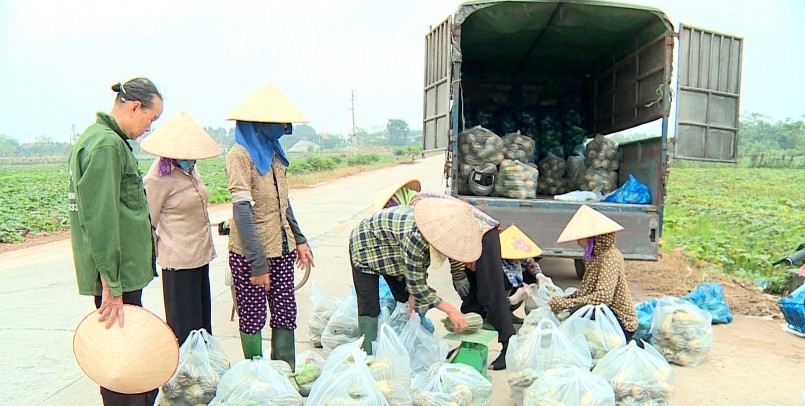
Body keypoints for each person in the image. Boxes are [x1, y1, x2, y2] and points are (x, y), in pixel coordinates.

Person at [67, 77, 163, 405]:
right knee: (122, 363)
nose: (149, 128)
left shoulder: (106, 140)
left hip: (121, 274)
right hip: (116, 277)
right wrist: (112, 281)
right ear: (135, 107)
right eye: (151, 119)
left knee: (126, 353)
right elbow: (101, 218)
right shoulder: (106, 145)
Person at [225, 82, 315, 369]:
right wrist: (258, 264)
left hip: (283, 248)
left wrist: (300, 239)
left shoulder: (275, 153)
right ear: (259, 122)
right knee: (252, 317)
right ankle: (257, 376)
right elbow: (242, 211)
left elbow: (283, 202)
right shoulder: (240, 155)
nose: (284, 128)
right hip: (251, 254)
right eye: (278, 123)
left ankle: (283, 373)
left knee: (286, 312)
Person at [350, 196, 482, 355]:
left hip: (395, 251)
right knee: (369, 307)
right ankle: (366, 355)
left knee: (407, 302)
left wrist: (413, 293)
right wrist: (451, 310)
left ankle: (408, 345)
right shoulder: (416, 235)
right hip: (365, 246)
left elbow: (419, 270)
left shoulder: (432, 235)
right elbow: (418, 286)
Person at [141, 112, 223, 346]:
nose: (190, 158)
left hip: (200, 256)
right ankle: (183, 377)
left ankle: (203, 372)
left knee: (201, 324)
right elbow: (148, 222)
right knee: (183, 328)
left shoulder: (192, 169)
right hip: (178, 262)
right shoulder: (158, 178)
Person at [548, 205, 638, 341]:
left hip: (618, 322)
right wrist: (565, 299)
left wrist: (567, 304)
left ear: (593, 236)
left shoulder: (610, 256)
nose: (578, 242)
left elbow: (603, 297)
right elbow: (586, 292)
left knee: (570, 325)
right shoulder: (595, 257)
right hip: (603, 315)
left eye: (581, 236)